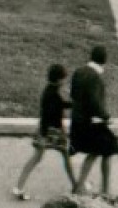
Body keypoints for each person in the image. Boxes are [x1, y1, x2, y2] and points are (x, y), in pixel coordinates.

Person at [12, 63, 74, 200]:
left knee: (36, 158)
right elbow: (60, 108)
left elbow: (59, 106)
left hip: (43, 130)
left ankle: (19, 187)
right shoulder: (54, 95)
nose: (65, 81)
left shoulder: (48, 91)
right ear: (58, 80)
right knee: (66, 156)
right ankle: (76, 186)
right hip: (53, 132)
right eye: (64, 78)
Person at [70, 46, 118, 195]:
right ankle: (105, 191)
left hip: (78, 122)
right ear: (104, 62)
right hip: (90, 123)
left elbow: (74, 95)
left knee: (94, 152)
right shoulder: (95, 77)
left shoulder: (79, 72)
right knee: (110, 148)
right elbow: (94, 103)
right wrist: (107, 117)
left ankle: (79, 186)